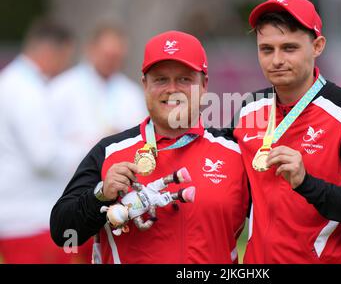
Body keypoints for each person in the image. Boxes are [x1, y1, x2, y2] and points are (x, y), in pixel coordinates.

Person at [50, 30, 249, 264]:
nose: (172, 88)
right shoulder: (109, 151)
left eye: (184, 79)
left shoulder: (237, 152)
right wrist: (100, 195)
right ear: (145, 84)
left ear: (204, 85)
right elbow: (64, 234)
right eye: (161, 79)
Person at [228, 0, 341, 263]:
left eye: (289, 48)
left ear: (317, 46)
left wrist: (307, 184)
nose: (277, 60)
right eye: (266, 49)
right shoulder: (248, 109)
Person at [49, 24, 147, 262]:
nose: (112, 61)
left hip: (119, 205)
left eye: (118, 56)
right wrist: (91, 146)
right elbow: (47, 147)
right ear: (91, 50)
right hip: (71, 191)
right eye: (107, 54)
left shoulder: (130, 93)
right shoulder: (62, 89)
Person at [0, 19, 76, 263]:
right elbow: (45, 157)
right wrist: (90, 150)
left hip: (18, 215)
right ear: (50, 52)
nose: (65, 67)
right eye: (65, 57)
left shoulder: (11, 82)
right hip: (32, 218)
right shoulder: (27, 91)